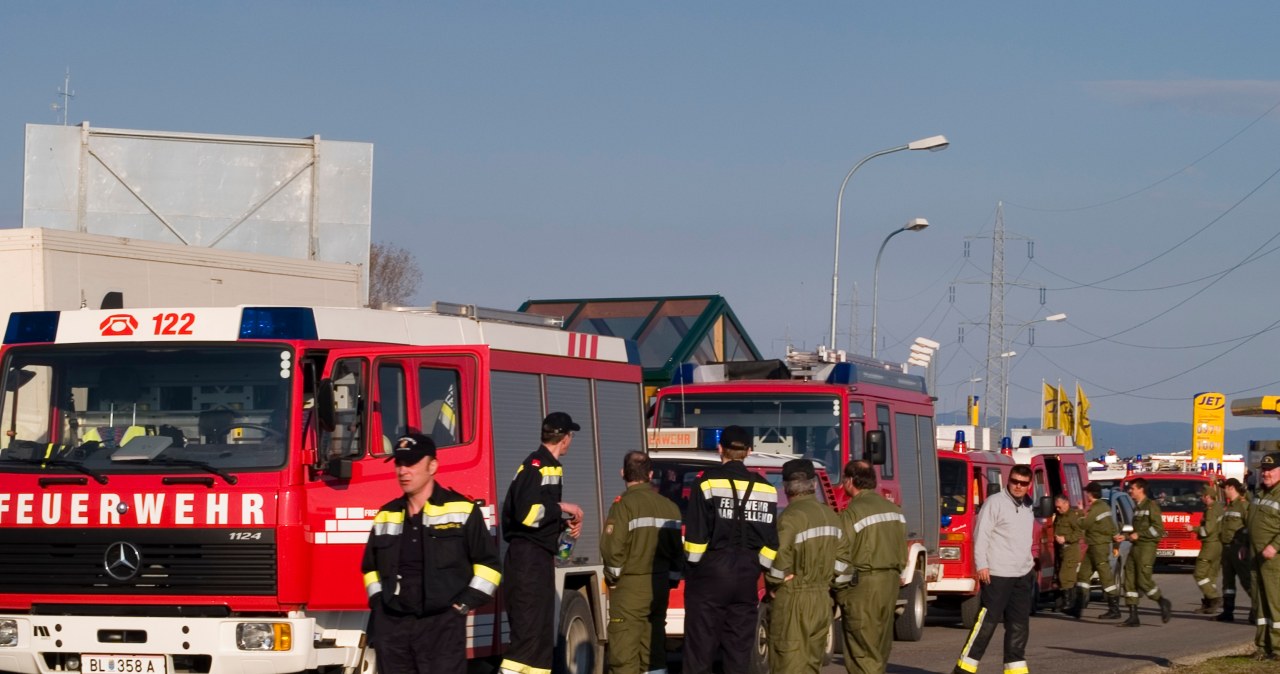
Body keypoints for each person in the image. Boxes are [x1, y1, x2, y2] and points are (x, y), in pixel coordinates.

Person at [362, 434, 502, 674]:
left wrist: (463, 605)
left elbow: (490, 567)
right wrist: (379, 605)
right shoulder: (386, 514)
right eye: (399, 464)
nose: (403, 471)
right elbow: (370, 568)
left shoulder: (462, 510)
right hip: (393, 629)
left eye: (412, 463)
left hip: (442, 628)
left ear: (433, 465)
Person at [682, 425, 779, 674]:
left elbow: (696, 539)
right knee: (738, 652)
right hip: (747, 574)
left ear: (720, 449)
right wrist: (759, 567)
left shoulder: (705, 483)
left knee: (700, 651)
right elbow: (771, 542)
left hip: (711, 572)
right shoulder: (767, 489)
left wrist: (691, 569)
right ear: (748, 451)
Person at [498, 412, 585, 674]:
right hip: (527, 562)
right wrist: (561, 507)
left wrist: (561, 524)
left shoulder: (552, 466)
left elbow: (538, 515)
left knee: (539, 643)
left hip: (538, 558)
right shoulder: (536, 465)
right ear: (565, 437)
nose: (571, 441)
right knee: (526, 639)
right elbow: (526, 513)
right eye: (571, 435)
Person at [599, 451, 683, 674]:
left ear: (623, 474)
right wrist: (671, 580)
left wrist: (613, 580)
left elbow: (612, 549)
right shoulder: (670, 507)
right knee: (654, 651)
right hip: (659, 587)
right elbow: (677, 554)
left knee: (624, 653)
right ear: (651, 474)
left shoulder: (623, 505)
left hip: (630, 588)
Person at [767, 458, 850, 674]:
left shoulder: (789, 518)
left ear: (785, 488)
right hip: (822, 599)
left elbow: (779, 558)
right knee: (812, 665)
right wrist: (828, 582)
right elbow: (844, 561)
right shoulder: (831, 516)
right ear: (814, 484)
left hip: (794, 598)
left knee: (788, 664)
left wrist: (775, 584)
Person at [953, 464, 1034, 674]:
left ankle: (1015, 669)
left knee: (1019, 625)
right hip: (997, 574)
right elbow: (981, 536)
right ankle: (964, 668)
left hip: (1023, 574)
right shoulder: (994, 503)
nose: (1018, 486)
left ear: (1029, 485)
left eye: (1023, 483)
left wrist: (1029, 564)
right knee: (987, 623)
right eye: (1014, 481)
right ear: (1008, 480)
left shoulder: (1028, 505)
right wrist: (982, 565)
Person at [837, 460, 906, 674]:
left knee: (862, 649)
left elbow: (841, 555)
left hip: (864, 585)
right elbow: (902, 552)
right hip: (890, 583)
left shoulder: (852, 512)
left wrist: (838, 590)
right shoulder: (894, 510)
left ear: (850, 481)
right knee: (879, 646)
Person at [1117, 477, 1172, 626]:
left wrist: (1140, 535)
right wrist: (1126, 536)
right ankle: (1133, 616)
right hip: (1135, 547)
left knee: (1143, 580)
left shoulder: (1151, 506)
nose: (1130, 491)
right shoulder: (1137, 507)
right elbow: (1135, 530)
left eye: (1132, 488)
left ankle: (1162, 602)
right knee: (1129, 580)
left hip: (1146, 548)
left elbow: (1158, 530)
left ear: (1141, 489)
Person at [1247, 452, 1280, 660]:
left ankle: (1277, 648)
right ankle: (1262, 645)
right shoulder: (1259, 493)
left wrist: (1275, 547)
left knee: (1274, 602)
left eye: (1270, 470)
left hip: (1273, 560)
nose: (1265, 473)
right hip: (1254, 556)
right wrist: (1244, 543)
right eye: (1264, 470)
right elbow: (1250, 523)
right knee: (1259, 602)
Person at [1076, 481, 1121, 620]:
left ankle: (1114, 608)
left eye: (1087, 492)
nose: (1086, 495)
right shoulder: (1104, 506)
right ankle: (1079, 604)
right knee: (1083, 574)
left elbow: (1085, 524)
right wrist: (1115, 540)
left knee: (1105, 577)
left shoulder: (1096, 508)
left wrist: (1080, 512)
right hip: (1094, 546)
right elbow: (1113, 526)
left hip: (1099, 546)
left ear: (1090, 494)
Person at [1217, 477, 1252, 622]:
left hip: (1238, 548)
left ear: (1231, 487)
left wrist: (1245, 545)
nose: (1224, 491)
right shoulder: (1229, 506)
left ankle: (1258, 609)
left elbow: (1250, 526)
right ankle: (1228, 611)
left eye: (1225, 488)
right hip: (1227, 548)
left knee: (1247, 580)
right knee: (1228, 582)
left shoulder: (1244, 506)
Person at [1189, 484, 1224, 615]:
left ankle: (1214, 598)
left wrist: (1193, 528)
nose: (1201, 499)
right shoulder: (1219, 508)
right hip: (1218, 545)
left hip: (1210, 545)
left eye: (1202, 497)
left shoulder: (1210, 510)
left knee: (1199, 573)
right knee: (1211, 576)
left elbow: (1207, 530)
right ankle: (1208, 603)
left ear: (1208, 497)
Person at [1052, 493, 1085, 619]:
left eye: (1060, 507)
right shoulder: (1060, 516)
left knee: (1065, 576)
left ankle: (1068, 603)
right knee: (1066, 577)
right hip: (1062, 550)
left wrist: (1065, 538)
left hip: (1071, 549)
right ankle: (1068, 602)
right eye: (1056, 507)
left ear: (1066, 503)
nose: (1058, 509)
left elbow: (1079, 533)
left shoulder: (1072, 516)